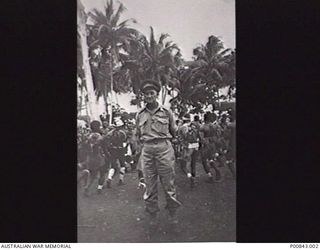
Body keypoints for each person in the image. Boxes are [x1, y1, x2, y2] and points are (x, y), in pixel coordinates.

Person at [136, 79, 182, 225]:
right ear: (143, 96)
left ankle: (172, 212)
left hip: (164, 149)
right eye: (146, 94)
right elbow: (138, 134)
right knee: (150, 184)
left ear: (156, 94)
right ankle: (152, 214)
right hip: (148, 150)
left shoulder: (167, 112)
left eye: (151, 93)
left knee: (168, 183)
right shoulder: (139, 114)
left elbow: (174, 132)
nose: (148, 96)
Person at [177, 113, 200, 188]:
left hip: (188, 146)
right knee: (193, 164)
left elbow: (182, 137)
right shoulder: (194, 125)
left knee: (183, 165)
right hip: (196, 145)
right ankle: (194, 178)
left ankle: (191, 178)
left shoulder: (182, 127)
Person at [199, 112, 222, 182]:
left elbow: (201, 138)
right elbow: (219, 134)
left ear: (204, 118)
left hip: (206, 145)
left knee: (204, 161)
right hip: (213, 145)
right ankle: (217, 171)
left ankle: (210, 176)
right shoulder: (214, 126)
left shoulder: (202, 127)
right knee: (211, 159)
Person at [105, 116, 128, 187]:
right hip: (120, 149)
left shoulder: (110, 133)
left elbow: (107, 142)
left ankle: (109, 178)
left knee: (113, 165)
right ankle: (121, 180)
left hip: (112, 150)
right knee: (122, 165)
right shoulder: (123, 133)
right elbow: (125, 142)